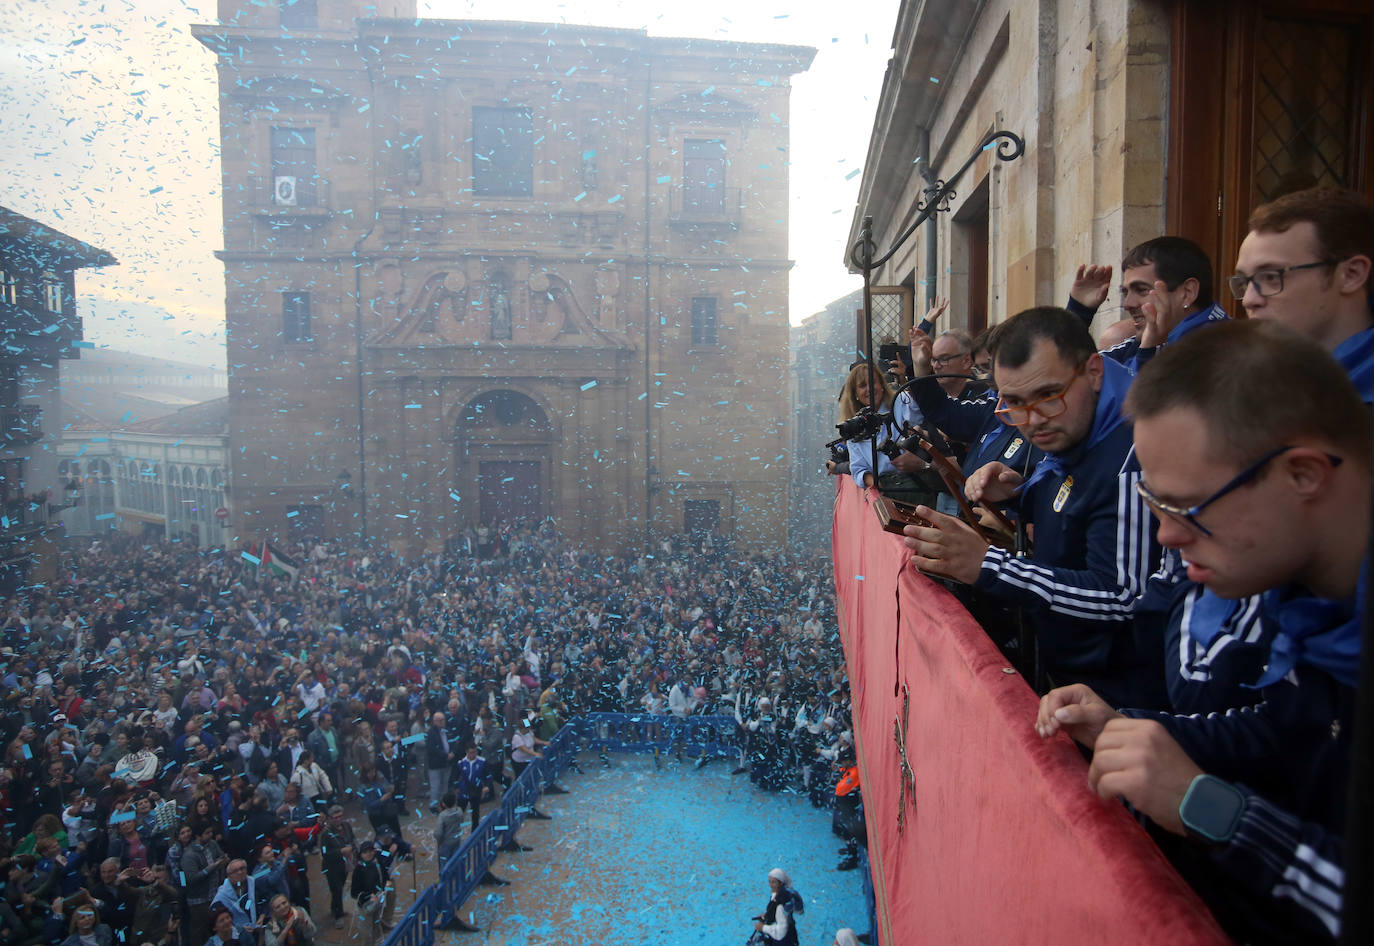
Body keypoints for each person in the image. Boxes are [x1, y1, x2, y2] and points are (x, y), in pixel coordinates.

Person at [1036, 320, 1368, 943]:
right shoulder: (1302, 590)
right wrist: (1127, 727)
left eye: (1186, 508)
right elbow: (1287, 724)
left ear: (1303, 475)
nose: (1164, 536)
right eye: (1156, 507)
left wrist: (1208, 807)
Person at [903, 306, 1164, 709]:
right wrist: (1021, 494)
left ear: (1094, 371)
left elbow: (1125, 597)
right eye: (1014, 404)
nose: (1033, 420)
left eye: (1047, 396)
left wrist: (990, 567)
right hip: (1068, 676)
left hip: (1118, 700)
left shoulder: (1133, 455)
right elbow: (1079, 513)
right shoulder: (1075, 428)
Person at [1066, 236, 1228, 370]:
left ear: (1187, 292)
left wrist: (1148, 351)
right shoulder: (1143, 342)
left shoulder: (1223, 352)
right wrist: (1079, 312)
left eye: (1141, 290)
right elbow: (1071, 377)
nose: (1128, 304)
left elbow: (1133, 406)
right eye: (1125, 292)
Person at [318, 805, 354, 930]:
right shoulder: (326, 834)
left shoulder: (346, 826)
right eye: (335, 817)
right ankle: (338, 915)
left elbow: (352, 839)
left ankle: (335, 908)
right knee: (337, 889)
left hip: (345, 864)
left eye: (340, 816)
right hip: (332, 867)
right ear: (330, 818)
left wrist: (353, 848)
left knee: (340, 888)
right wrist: (341, 851)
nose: (338, 819)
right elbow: (325, 854)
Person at [350, 841, 390, 946]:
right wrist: (368, 896)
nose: (369, 854)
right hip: (365, 905)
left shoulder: (377, 863)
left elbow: (384, 874)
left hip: (378, 900)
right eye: (365, 852)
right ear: (361, 855)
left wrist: (387, 882)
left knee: (376, 924)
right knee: (367, 930)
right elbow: (354, 892)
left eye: (371, 851)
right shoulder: (358, 870)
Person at [752, 868, 800, 946]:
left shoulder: (781, 904)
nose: (771, 885)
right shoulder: (778, 896)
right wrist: (767, 915)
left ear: (780, 883)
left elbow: (781, 932)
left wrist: (763, 928)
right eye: (770, 882)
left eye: (774, 882)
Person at [453, 745, 494, 834]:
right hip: (463, 790)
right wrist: (456, 787)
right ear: (467, 752)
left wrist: (487, 786)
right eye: (471, 752)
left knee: (475, 812)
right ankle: (455, 831)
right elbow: (454, 776)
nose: (473, 754)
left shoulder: (482, 762)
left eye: (475, 752)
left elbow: (488, 775)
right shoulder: (461, 763)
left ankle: (474, 832)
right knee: (460, 811)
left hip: (476, 790)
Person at [423, 712, 453, 811]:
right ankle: (434, 806)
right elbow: (432, 748)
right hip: (435, 764)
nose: (442, 722)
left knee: (445, 784)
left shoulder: (447, 730)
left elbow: (452, 741)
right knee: (435, 786)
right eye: (439, 720)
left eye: (443, 720)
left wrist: (452, 752)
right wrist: (445, 755)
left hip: (446, 763)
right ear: (435, 722)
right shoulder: (431, 733)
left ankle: (443, 803)